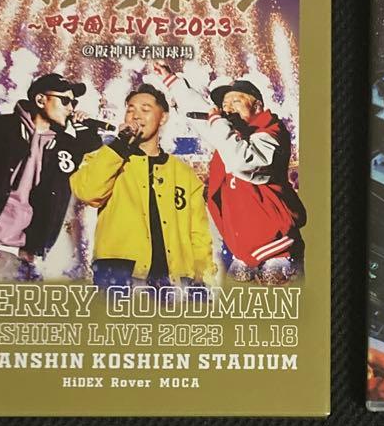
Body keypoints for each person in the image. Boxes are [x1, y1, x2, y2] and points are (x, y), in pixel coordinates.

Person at [0, 73, 103, 279]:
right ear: (40, 100)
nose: (71, 108)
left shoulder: (63, 146)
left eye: (74, 102)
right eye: (65, 100)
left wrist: (85, 129)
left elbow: (91, 153)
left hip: (27, 257)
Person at [157, 66, 306, 283]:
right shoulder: (230, 134)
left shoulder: (270, 132)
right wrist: (173, 82)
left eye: (236, 101)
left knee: (283, 299)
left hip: (277, 245)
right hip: (242, 248)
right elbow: (204, 116)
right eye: (224, 105)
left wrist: (218, 123)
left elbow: (242, 161)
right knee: (238, 299)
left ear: (257, 105)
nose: (228, 109)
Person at [69, 84, 216, 288]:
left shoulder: (184, 174)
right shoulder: (106, 158)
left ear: (163, 118)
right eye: (130, 110)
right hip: (117, 274)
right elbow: (87, 192)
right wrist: (120, 144)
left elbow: (199, 234)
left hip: (172, 279)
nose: (136, 116)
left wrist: (202, 278)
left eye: (145, 109)